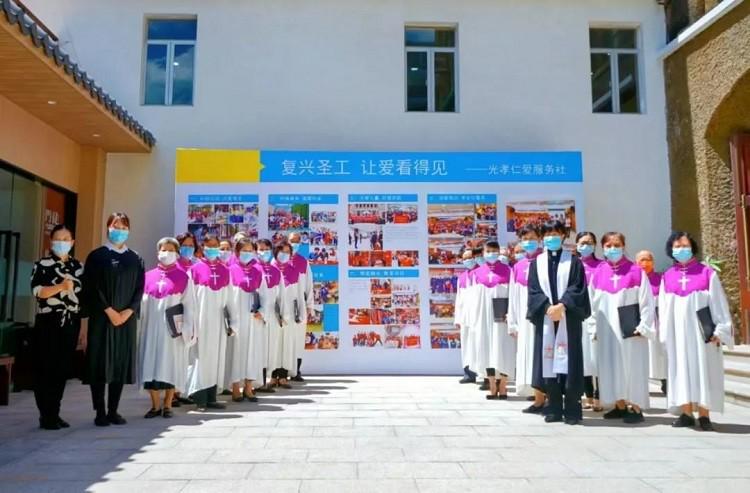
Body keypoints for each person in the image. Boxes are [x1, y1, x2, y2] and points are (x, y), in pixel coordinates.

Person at [659, 232, 733, 431]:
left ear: (692, 247)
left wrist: (721, 330)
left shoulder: (707, 273)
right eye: (677, 246)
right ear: (671, 249)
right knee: (680, 369)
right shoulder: (668, 276)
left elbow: (718, 303)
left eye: (685, 245)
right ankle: (685, 412)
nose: (681, 249)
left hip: (702, 333)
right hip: (678, 334)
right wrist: (664, 334)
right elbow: (664, 307)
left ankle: (704, 414)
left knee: (704, 370)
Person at [81, 212, 145, 426]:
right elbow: (91, 287)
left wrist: (128, 312)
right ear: (108, 227)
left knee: (119, 363)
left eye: (124, 226)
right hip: (102, 318)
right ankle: (99, 411)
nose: (119, 230)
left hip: (126, 320)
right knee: (100, 363)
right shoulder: (97, 256)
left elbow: (139, 289)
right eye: (115, 226)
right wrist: (108, 310)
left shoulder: (135, 258)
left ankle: (114, 410)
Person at [527, 220, 590, 424]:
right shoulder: (537, 263)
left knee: (570, 362)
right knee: (547, 362)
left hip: (568, 318)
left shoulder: (574, 261)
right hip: (546, 319)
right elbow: (534, 290)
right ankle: (553, 406)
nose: (551, 238)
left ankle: (572, 408)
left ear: (563, 236)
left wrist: (562, 305)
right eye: (547, 234)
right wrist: (547, 307)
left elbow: (577, 288)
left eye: (555, 233)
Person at [590, 232, 655, 424]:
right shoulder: (599, 272)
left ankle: (635, 407)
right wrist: (593, 328)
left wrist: (644, 326)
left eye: (616, 244)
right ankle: (618, 405)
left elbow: (647, 302)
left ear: (624, 245)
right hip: (607, 329)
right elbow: (592, 303)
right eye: (608, 245)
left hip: (630, 330)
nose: (612, 248)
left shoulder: (636, 271)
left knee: (632, 367)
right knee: (611, 366)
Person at [30, 225, 83, 430]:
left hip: (70, 322)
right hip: (48, 322)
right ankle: (46, 415)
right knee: (46, 369)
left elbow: (82, 297)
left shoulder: (77, 266)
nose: (62, 243)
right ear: (51, 242)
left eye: (66, 239)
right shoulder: (42, 265)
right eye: (58, 239)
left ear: (72, 242)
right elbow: (38, 291)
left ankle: (55, 412)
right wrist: (61, 287)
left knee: (61, 370)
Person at [138, 237, 196, 418]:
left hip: (172, 331)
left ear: (177, 253)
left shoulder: (183, 277)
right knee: (151, 365)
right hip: (151, 329)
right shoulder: (147, 276)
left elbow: (190, 305)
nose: (167, 253)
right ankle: (155, 405)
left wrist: (187, 328)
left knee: (171, 365)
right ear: (157, 252)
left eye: (171, 250)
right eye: (163, 249)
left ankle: (168, 404)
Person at [186, 233, 237, 411]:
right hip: (200, 322)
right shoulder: (194, 269)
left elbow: (231, 299)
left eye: (216, 245)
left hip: (218, 323)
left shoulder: (225, 271)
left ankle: (211, 397)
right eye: (210, 246)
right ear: (203, 248)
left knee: (216, 359)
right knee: (201, 359)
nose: (213, 249)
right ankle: (199, 398)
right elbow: (189, 299)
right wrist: (190, 324)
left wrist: (233, 322)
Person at [508, 223, 546, 413]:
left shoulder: (546, 261)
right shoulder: (518, 266)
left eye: (532, 238)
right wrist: (513, 322)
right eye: (525, 239)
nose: (528, 242)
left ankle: (547, 397)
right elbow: (514, 297)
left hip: (543, 317)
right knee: (530, 355)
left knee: (544, 355)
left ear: (539, 239)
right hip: (525, 320)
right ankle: (537, 397)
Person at [226, 238, 268, 402]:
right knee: (236, 351)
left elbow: (265, 295)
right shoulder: (230, 270)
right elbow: (228, 296)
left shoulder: (258, 271)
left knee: (253, 351)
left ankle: (249, 387)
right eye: (244, 250)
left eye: (250, 250)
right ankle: (235, 387)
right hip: (237, 317)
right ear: (237, 252)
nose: (247, 253)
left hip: (253, 318)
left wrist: (262, 310)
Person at [473, 240, 515, 400]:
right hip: (484, 317)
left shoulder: (508, 271)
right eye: (488, 251)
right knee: (487, 348)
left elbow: (514, 295)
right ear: (483, 253)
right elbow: (474, 299)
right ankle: (491, 384)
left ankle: (503, 385)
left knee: (504, 347)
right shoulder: (478, 273)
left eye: (494, 250)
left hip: (502, 316)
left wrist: (511, 314)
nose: (491, 254)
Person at [576, 231, 604, 412]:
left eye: (590, 242)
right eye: (583, 242)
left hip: (599, 316)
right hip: (579, 316)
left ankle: (600, 396)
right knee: (584, 357)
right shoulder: (573, 265)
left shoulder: (602, 266)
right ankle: (588, 395)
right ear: (576, 244)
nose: (586, 245)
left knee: (598, 357)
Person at [272, 241, 304, 388]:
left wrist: (300, 313)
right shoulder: (271, 268)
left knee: (286, 345)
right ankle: (272, 376)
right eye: (281, 251)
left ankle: (283, 375)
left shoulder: (293, 270)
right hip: (274, 313)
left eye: (287, 252)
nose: (284, 255)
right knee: (274, 344)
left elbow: (299, 293)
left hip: (290, 313)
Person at [636, 249, 668, 395]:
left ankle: (666, 382)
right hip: (641, 323)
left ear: (653, 262)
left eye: (648, 259)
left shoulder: (662, 279)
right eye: (641, 260)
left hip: (659, 321)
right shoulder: (635, 279)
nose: (645, 263)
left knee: (662, 353)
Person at [255, 239, 283, 393]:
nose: (263, 252)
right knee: (257, 348)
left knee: (269, 349)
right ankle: (255, 382)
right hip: (256, 316)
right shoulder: (253, 269)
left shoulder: (275, 271)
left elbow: (281, 295)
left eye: (266, 249)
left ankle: (265, 380)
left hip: (272, 315)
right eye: (260, 249)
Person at [289, 232, 313, 382]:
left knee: (298, 339)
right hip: (282, 307)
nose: (294, 244)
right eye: (292, 241)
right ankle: (282, 371)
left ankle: (296, 370)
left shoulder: (303, 262)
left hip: (299, 307)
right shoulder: (277, 261)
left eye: (297, 241)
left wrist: (310, 305)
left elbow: (309, 285)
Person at [454, 248, 479, 384]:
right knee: (466, 345)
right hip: (465, 316)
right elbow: (459, 299)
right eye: (464, 259)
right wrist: (457, 318)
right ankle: (468, 373)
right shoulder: (462, 277)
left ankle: (480, 373)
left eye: (469, 257)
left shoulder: (480, 273)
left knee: (477, 345)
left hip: (477, 316)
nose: (467, 261)